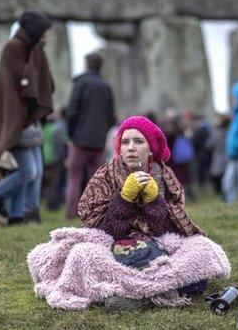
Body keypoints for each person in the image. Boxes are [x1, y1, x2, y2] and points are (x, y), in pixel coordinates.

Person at [76, 115, 209, 308]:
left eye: (138, 141)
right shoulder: (104, 175)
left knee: (202, 251)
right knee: (84, 254)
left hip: (155, 250)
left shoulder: (165, 177)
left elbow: (170, 234)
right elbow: (101, 234)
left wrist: (153, 201)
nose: (130, 147)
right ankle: (154, 292)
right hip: (116, 251)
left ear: (151, 148)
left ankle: (135, 297)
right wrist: (124, 199)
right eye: (125, 142)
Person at [0, 10, 54, 225]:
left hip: (30, 120)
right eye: (42, 32)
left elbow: (40, 81)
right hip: (15, 120)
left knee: (37, 172)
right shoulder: (13, 48)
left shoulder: (33, 49)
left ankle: (27, 215)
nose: (45, 37)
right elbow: (11, 88)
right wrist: (17, 121)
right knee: (27, 172)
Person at [64, 52, 116, 220]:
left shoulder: (81, 83)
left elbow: (72, 111)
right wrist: (103, 133)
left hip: (79, 139)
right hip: (98, 141)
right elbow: (111, 115)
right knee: (96, 180)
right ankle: (94, 211)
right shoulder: (106, 86)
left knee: (74, 176)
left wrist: (71, 133)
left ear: (87, 65)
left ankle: (71, 212)